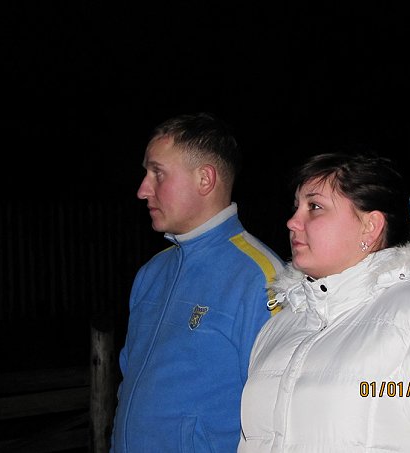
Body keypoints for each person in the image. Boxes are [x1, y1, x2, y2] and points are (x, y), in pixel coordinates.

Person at [238, 150, 410, 452]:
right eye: (296, 207)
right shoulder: (278, 327)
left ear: (370, 226)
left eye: (315, 207)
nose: (292, 222)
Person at [110, 112, 284, 453]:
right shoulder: (151, 273)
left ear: (205, 179)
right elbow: (128, 384)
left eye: (158, 173)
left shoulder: (262, 279)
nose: (143, 190)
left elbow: (278, 414)